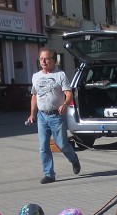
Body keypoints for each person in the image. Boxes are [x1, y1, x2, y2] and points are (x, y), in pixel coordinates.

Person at [26, 47, 81, 184]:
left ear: (53, 61)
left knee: (62, 144)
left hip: (57, 115)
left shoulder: (60, 75)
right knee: (43, 146)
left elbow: (68, 94)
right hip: (42, 116)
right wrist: (32, 114)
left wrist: (65, 104)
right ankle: (49, 174)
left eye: (46, 59)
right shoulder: (36, 76)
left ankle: (74, 160)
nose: (43, 61)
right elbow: (34, 96)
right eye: (41, 59)